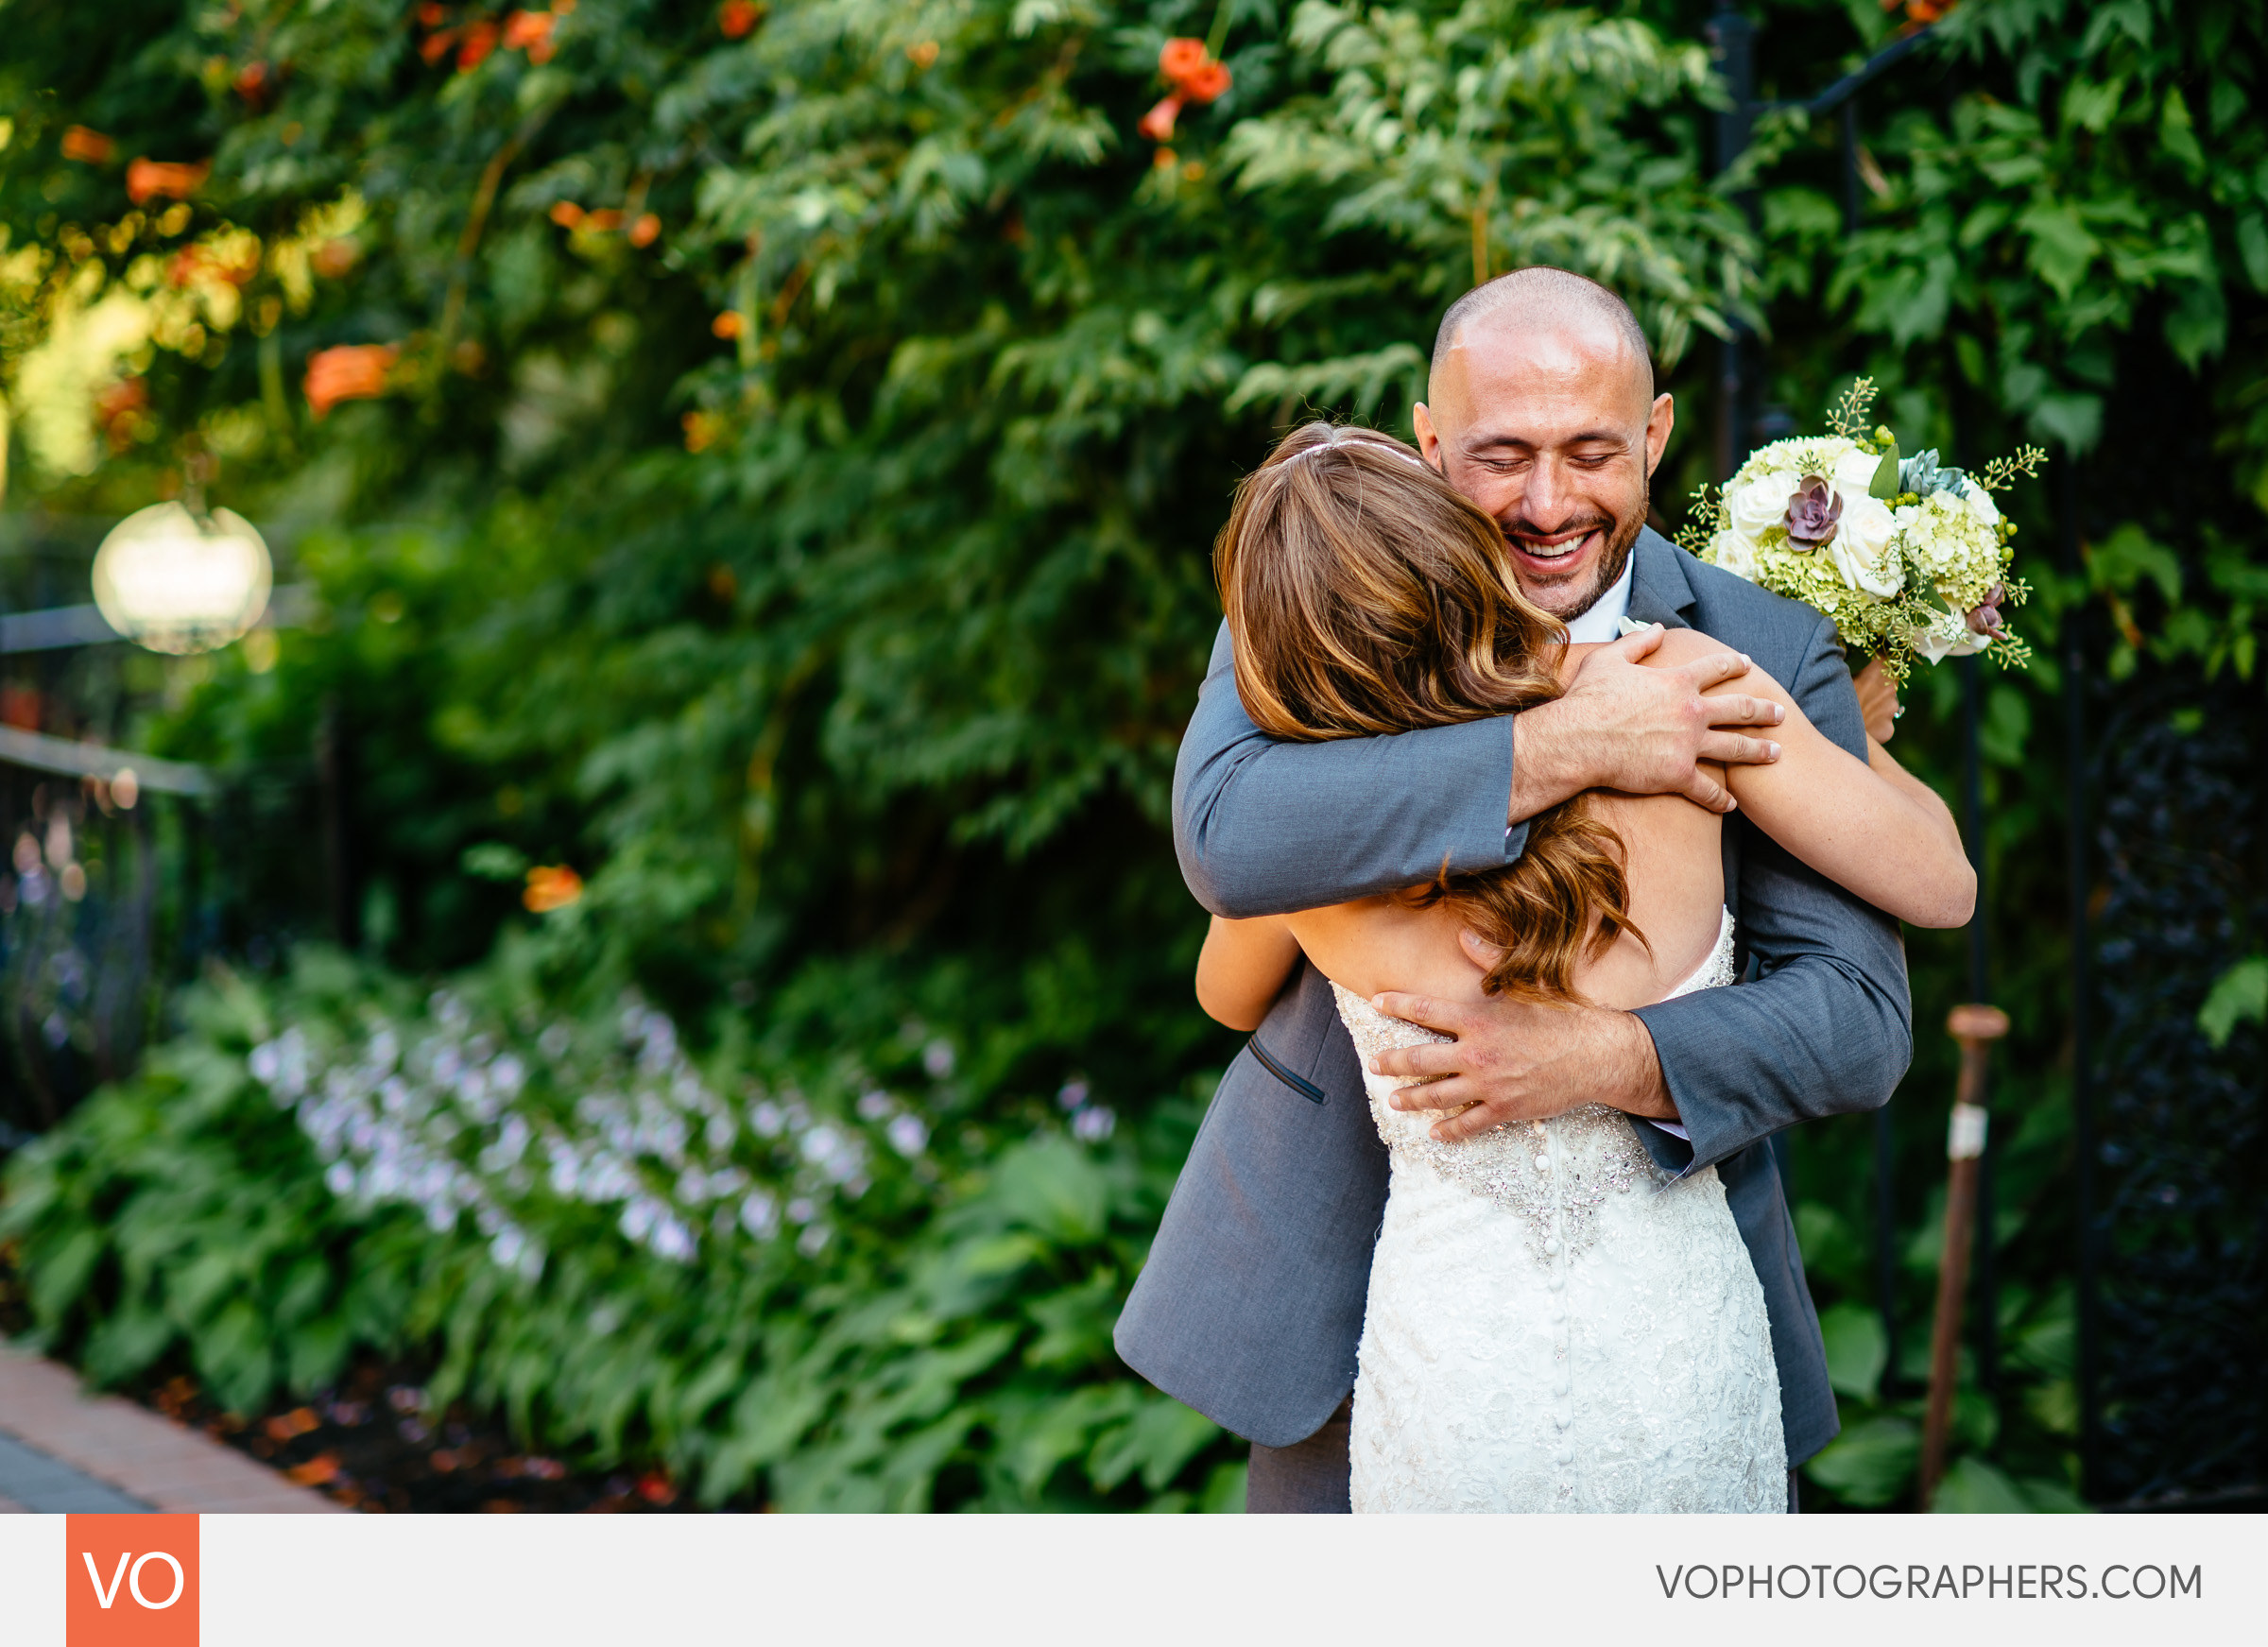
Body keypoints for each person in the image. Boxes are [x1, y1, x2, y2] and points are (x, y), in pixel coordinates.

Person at [1114, 267, 1929, 1512]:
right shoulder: (1321, 610)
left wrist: (1604, 1057)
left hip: (1659, 1304)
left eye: (1593, 452)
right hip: (1344, 1314)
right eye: (1502, 457)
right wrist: (1571, 742)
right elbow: (1227, 837)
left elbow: (1860, 1024)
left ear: (1654, 436)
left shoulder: (1751, 649)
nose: (1550, 504)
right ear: (1430, 445)